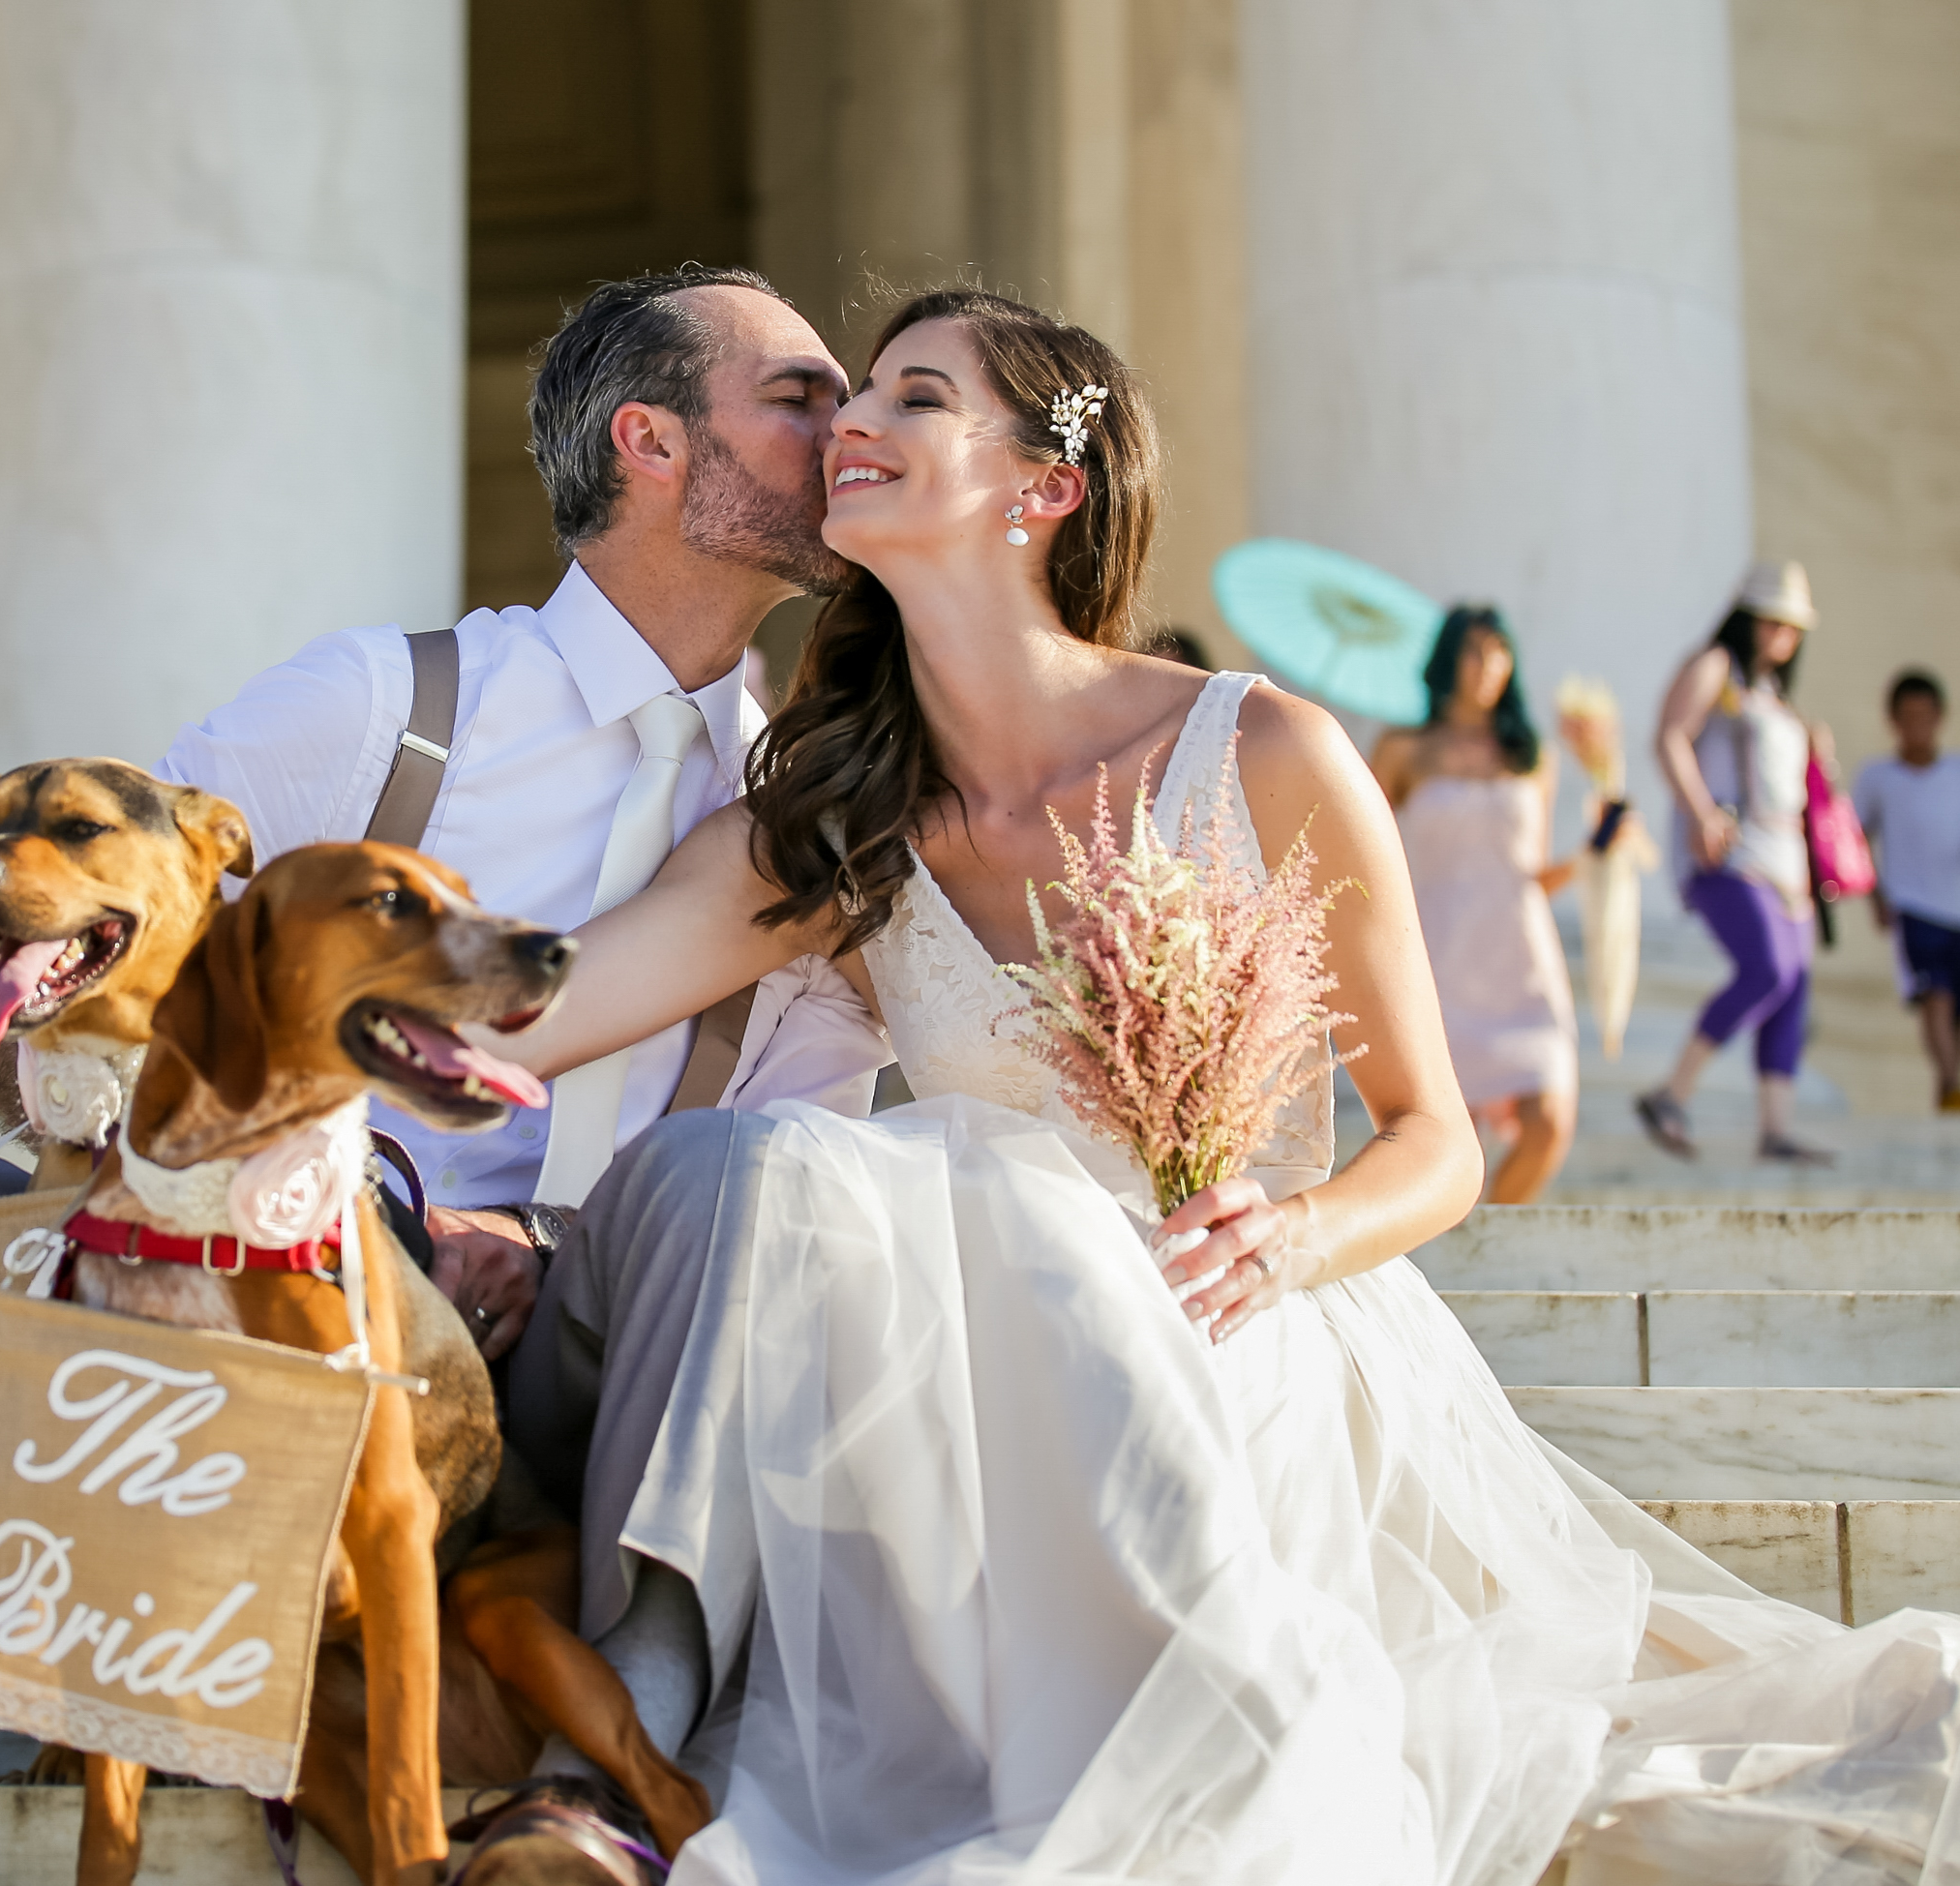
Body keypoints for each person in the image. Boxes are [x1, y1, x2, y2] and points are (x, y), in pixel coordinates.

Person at [481, 291, 1960, 1882]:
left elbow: (1435, 1139)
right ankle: (617, 1761)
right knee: (765, 1167)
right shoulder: (842, 808)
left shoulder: (1260, 755)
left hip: (1221, 1315)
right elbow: (547, 1002)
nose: (848, 421)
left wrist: (1288, 1234)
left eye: (910, 397)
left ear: (1039, 486)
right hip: (978, 1357)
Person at [0, 265, 894, 1886]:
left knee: (740, 1178)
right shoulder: (390, 707)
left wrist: (555, 1246)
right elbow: (16, 930)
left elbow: (799, 1153)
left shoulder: (805, 804)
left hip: (575, 1358)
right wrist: (309, 1175)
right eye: (795, 391)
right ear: (646, 440)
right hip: (272, 1271)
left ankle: (592, 1796)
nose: (846, 425)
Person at [1371, 605, 1583, 1201]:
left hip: (1522, 961)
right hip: (1439, 960)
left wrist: (1594, 852)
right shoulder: (1402, 749)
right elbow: (1360, 841)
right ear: (1447, 659)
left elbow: (1533, 874)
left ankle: (1496, 1235)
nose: (1486, 665)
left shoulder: (1532, 755)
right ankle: (1462, 1259)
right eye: (1473, 649)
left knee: (1550, 1126)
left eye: (1498, 650)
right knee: (1449, 1141)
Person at [1633, 561, 1832, 1163]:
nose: (1783, 636)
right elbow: (1669, 735)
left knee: (1793, 988)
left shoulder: (1773, 694)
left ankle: (1776, 1128)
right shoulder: (1715, 666)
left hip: (1786, 860)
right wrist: (1700, 813)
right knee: (1767, 967)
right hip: (1731, 849)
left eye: (1793, 626)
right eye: (1773, 622)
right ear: (1748, 618)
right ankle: (1673, 1092)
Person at [1856, 668, 1960, 1111]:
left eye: (1925, 716)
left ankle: (1948, 1094)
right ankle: (1954, 1083)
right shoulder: (1878, 778)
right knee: (1935, 996)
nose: (1917, 725)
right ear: (1893, 721)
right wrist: (1875, 895)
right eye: (1908, 716)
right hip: (1914, 907)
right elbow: (1854, 839)